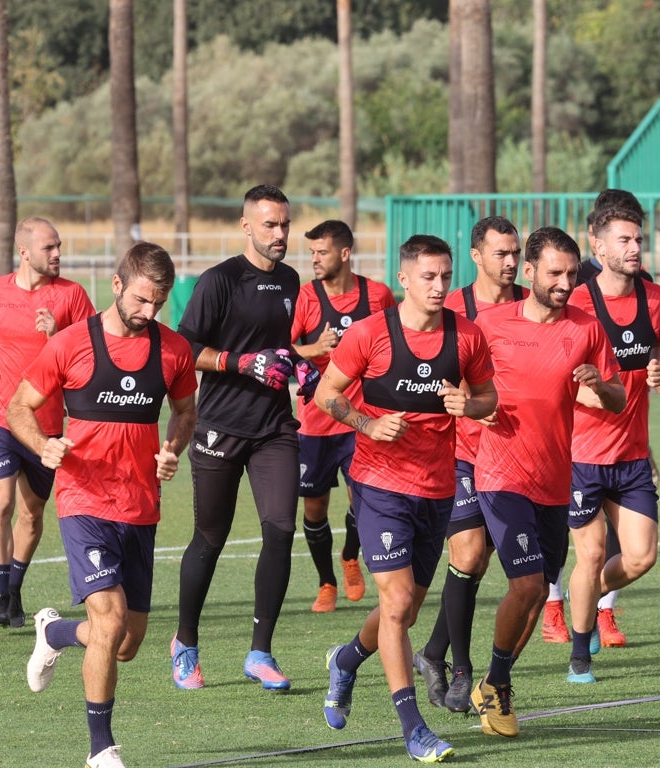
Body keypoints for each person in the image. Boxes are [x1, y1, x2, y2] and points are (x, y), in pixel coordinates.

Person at [7, 242, 197, 768]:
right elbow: (19, 405)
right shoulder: (71, 345)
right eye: (140, 300)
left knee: (127, 642)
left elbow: (185, 412)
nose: (148, 312)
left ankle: (55, 633)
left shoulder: (175, 351)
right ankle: (101, 749)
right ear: (117, 286)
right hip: (82, 499)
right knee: (109, 620)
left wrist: (171, 448)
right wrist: (43, 445)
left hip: (140, 505)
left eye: (158, 303)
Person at [316, 234, 496, 763]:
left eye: (445, 276)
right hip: (379, 485)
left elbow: (489, 395)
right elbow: (327, 393)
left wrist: (471, 402)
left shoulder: (466, 336)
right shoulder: (370, 335)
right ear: (404, 280)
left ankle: (347, 661)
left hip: (437, 488)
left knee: (408, 609)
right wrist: (367, 424)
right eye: (428, 277)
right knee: (396, 604)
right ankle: (413, 727)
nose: (439, 287)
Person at [469, 226, 625, 738]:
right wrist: (475, 412)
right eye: (554, 273)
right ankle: (495, 686)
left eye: (572, 274)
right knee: (528, 583)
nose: (564, 283)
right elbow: (456, 381)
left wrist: (600, 384)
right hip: (499, 473)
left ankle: (493, 681)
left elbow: (619, 398)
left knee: (537, 597)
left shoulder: (586, 327)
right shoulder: (489, 324)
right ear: (529, 271)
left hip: (556, 480)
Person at [171, 185, 316, 691]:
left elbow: (281, 345)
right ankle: (185, 643)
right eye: (270, 224)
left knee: (279, 530)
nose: (280, 234)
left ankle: (260, 652)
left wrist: (301, 367)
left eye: (284, 224)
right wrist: (241, 363)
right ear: (246, 225)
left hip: (275, 427)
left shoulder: (293, 280)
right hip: (219, 427)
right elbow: (184, 348)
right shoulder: (219, 280)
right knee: (210, 538)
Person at [414, 216, 524, 714]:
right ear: (476, 256)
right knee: (469, 552)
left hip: (516, 452)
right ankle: (462, 673)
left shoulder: (532, 304)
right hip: (458, 451)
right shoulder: (453, 308)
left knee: (483, 565)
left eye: (515, 253)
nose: (510, 262)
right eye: (500, 253)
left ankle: (433, 654)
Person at [0, 217, 95, 628]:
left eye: (59, 246)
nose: (57, 254)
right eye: (48, 248)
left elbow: (94, 352)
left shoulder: (72, 295)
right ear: (24, 252)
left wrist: (60, 334)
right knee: (0, 503)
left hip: (47, 425)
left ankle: (15, 588)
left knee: (32, 514)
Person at [563, 204, 660, 682]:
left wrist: (659, 366)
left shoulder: (656, 296)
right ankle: (580, 655)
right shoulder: (577, 302)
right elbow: (559, 371)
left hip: (631, 454)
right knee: (588, 554)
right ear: (598, 246)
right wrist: (591, 392)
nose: (634, 248)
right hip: (582, 454)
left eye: (638, 240)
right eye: (624, 240)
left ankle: (579, 597)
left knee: (642, 556)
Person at [291, 220, 396, 612]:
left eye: (322, 252)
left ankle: (351, 557)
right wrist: (313, 346)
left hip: (361, 422)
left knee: (362, 501)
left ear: (345, 253)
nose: (314, 259)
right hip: (315, 424)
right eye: (312, 253)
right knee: (314, 507)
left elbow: (395, 341)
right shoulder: (306, 297)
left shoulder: (378, 295)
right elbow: (281, 350)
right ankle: (326, 583)